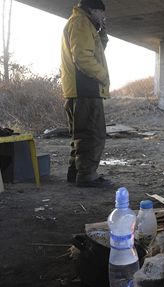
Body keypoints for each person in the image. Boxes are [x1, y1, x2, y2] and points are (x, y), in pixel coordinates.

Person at [60, 0, 113, 187]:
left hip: (78, 90)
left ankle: (75, 171)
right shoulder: (81, 23)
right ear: (92, 10)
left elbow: (95, 52)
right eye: (101, 12)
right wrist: (103, 76)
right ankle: (86, 175)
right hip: (86, 89)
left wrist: (102, 34)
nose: (103, 17)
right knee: (93, 134)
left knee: (80, 134)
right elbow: (83, 57)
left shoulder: (82, 24)